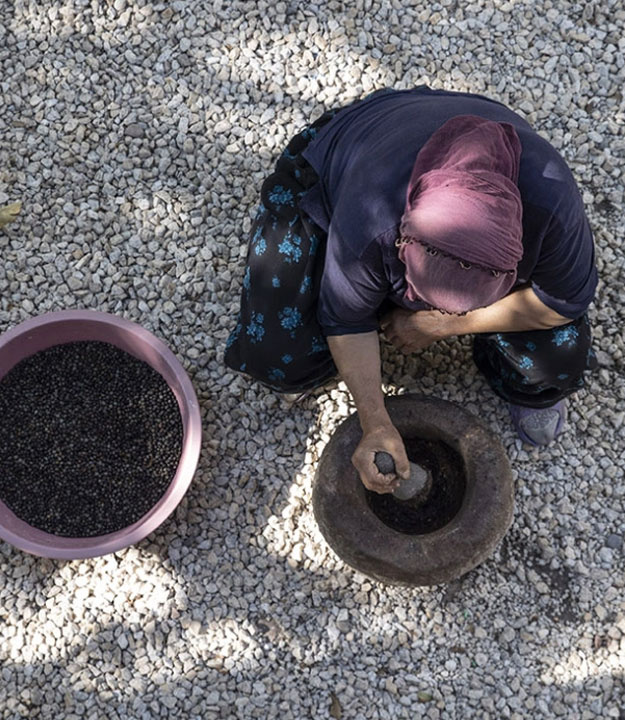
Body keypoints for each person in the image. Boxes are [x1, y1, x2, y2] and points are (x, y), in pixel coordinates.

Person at [224, 87, 597, 494]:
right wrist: (375, 422)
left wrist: (441, 325)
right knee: (276, 355)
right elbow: (345, 319)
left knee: (559, 355)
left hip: (446, 192)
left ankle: (515, 380)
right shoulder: (370, 216)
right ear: (402, 242)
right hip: (354, 153)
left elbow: (562, 302)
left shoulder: (552, 205)